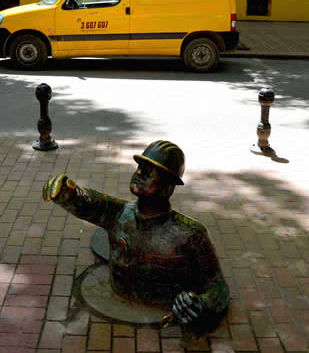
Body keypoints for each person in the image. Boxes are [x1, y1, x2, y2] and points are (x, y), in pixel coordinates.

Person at [41, 140, 229, 332]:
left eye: (150, 171)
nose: (139, 173)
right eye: (140, 167)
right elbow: (89, 202)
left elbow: (218, 288)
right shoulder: (119, 214)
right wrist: (68, 193)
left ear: (168, 187)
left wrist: (202, 304)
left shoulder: (190, 233)